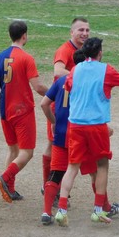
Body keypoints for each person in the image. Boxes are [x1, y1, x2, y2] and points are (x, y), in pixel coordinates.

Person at [55, 37, 119, 227]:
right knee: (102, 165)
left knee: (72, 167)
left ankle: (61, 209)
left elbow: (68, 85)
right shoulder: (105, 70)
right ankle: (98, 210)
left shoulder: (75, 70)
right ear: (99, 52)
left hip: (75, 125)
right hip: (96, 125)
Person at [40, 49, 119, 225]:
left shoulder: (62, 80)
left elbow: (44, 103)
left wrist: (53, 121)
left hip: (62, 134)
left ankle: (47, 212)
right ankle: (103, 207)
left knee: (56, 174)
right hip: (81, 134)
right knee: (97, 170)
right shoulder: (88, 81)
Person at [0, 20, 48, 203]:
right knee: (27, 152)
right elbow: (38, 87)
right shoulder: (26, 58)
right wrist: (54, 94)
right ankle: (5, 178)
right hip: (22, 110)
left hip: (5, 109)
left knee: (13, 150)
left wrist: (3, 94)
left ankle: (9, 189)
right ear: (24, 36)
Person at [42, 18, 90, 194]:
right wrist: (80, 75)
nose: (84, 33)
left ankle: (51, 186)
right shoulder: (65, 49)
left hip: (73, 107)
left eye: (87, 30)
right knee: (53, 145)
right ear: (72, 32)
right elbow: (57, 71)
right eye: (81, 30)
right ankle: (48, 185)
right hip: (60, 107)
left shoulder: (85, 51)